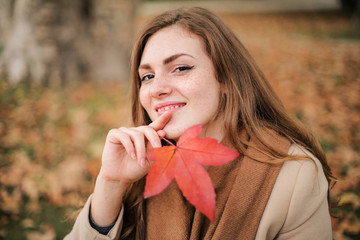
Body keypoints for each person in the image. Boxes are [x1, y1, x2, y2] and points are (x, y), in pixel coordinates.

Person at [65, 7, 334, 240]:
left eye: (181, 68)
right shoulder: (139, 167)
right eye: (146, 76)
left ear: (227, 78)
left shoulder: (293, 176)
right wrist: (111, 183)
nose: (156, 88)